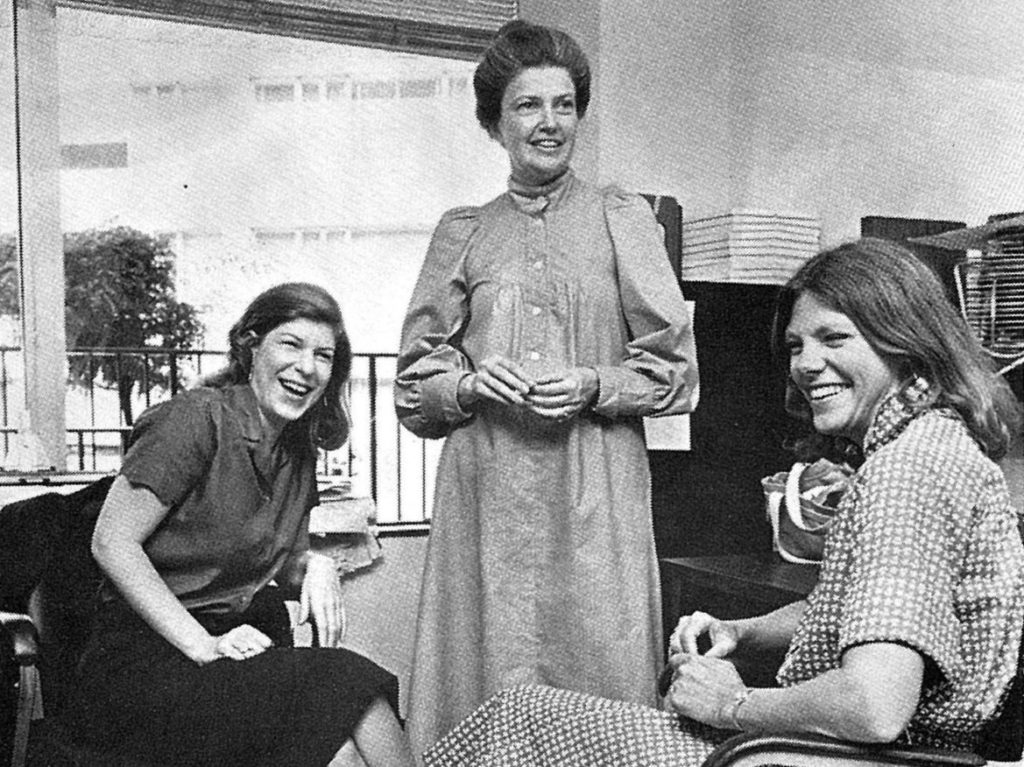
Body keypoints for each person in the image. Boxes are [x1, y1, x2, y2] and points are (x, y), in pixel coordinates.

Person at [421, 238, 1024, 766]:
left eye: (833, 338)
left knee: (515, 721)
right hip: (870, 755)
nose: (807, 365)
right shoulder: (936, 444)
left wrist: (732, 703)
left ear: (906, 342)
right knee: (524, 718)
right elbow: (875, 615)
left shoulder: (906, 474)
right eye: (795, 345)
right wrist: (746, 631)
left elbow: (874, 706)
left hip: (841, 759)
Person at [394, 18, 699, 757]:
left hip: (592, 491)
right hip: (485, 493)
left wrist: (597, 382)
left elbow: (677, 374)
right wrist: (466, 385)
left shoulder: (624, 219)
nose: (550, 123)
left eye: (564, 105)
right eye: (529, 106)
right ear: (495, 123)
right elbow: (413, 385)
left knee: (599, 681)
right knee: (484, 683)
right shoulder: (462, 231)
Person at [61, 283, 415, 767]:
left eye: (324, 356)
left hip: (231, 649)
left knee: (343, 752)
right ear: (251, 347)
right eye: (290, 344)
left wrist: (315, 566)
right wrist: (204, 646)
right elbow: (112, 543)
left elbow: (268, 561)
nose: (307, 368)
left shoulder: (297, 452)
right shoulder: (194, 419)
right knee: (354, 684)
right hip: (142, 664)